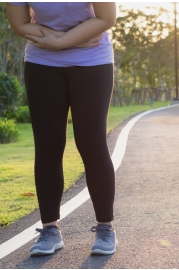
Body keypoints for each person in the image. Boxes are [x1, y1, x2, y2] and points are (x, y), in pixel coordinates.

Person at [6, 2, 117, 256]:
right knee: (48, 145)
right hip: (42, 61)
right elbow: (19, 24)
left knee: (91, 143)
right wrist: (64, 42)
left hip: (92, 60)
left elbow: (107, 18)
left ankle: (105, 227)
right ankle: (50, 229)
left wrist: (60, 41)